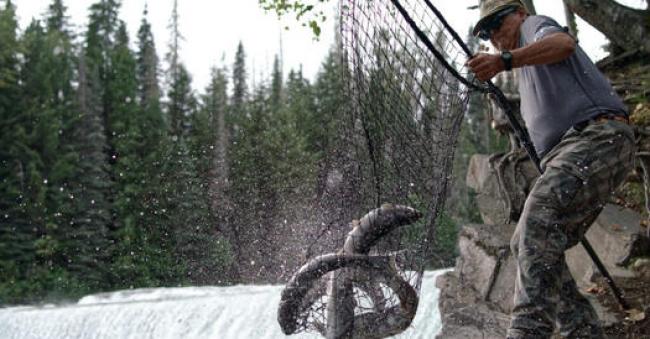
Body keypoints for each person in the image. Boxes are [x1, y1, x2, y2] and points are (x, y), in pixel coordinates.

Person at [466, 0, 635, 338]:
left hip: (598, 137)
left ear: (518, 13)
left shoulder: (534, 27)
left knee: (538, 218)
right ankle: (582, 330)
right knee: (530, 243)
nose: (494, 36)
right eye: (486, 33)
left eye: (497, 23)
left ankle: (528, 331)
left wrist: (504, 61)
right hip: (574, 151)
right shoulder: (526, 65)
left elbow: (563, 44)